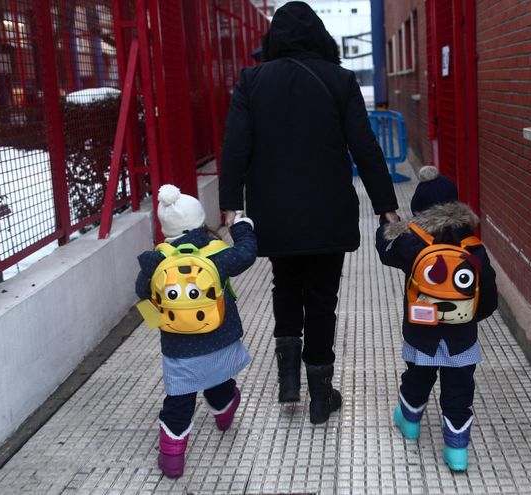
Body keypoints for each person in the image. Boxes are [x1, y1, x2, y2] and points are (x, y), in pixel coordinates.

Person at [218, 1, 400, 425]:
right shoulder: (339, 79)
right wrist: (386, 207)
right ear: (320, 36)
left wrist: (230, 205)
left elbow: (235, 147)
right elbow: (365, 147)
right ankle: (321, 395)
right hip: (327, 212)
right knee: (322, 299)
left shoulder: (252, 80)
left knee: (285, 286)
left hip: (274, 213)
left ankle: (289, 382)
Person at [375, 166, 498, 472]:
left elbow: (384, 249)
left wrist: (387, 224)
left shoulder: (411, 244)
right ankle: (457, 450)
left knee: (418, 377)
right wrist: (469, 318)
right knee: (459, 391)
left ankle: (410, 421)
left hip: (422, 335)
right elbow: (489, 296)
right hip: (462, 340)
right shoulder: (473, 247)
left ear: (418, 211)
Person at [135, 184, 257, 478]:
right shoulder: (216, 254)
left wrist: (159, 324)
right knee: (219, 382)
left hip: (179, 348)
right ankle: (224, 411)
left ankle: (172, 459)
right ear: (200, 222)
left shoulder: (157, 260)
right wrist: (241, 226)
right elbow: (247, 254)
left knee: (179, 402)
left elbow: (141, 293)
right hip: (220, 338)